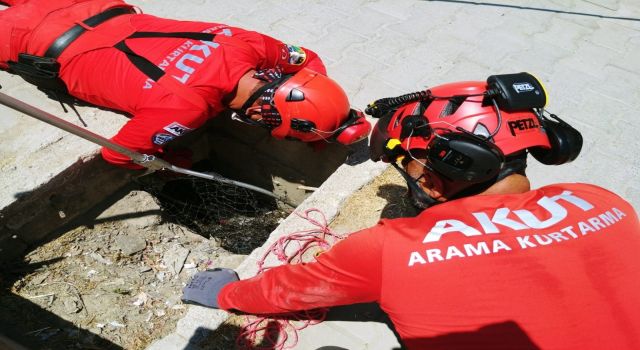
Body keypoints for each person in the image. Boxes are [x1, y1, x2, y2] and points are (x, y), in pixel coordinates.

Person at [182, 73, 640, 349]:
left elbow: (292, 290)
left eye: (409, 167)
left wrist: (225, 293)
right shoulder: (601, 201)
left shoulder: (392, 250)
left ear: (429, 178)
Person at [0, 0, 370, 169]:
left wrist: (327, 117)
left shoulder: (244, 44)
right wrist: (174, 158)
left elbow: (307, 57)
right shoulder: (187, 108)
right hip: (31, 39)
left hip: (88, 6)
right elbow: (117, 154)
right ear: (261, 112)